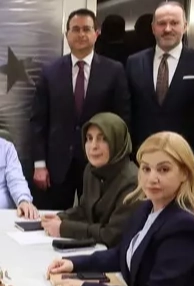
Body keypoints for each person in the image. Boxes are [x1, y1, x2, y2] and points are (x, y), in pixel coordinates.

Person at [47, 132, 194, 286]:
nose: (152, 178)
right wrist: (74, 263)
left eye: (163, 169)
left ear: (185, 173)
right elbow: (122, 254)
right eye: (146, 169)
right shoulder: (146, 208)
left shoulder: (183, 227)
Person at [30, 8, 130, 210]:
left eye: (87, 29)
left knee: (96, 219)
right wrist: (39, 164)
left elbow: (123, 119)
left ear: (97, 33)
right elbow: (38, 121)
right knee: (52, 219)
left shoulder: (114, 71)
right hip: (56, 167)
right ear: (66, 34)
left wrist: (116, 163)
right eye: (75, 29)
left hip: (99, 164)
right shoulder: (50, 72)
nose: (81, 34)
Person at [126, 2, 194, 165]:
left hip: (184, 159)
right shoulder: (134, 62)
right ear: (153, 28)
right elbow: (129, 113)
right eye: (161, 23)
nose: (167, 29)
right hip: (142, 158)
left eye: (174, 23)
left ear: (185, 26)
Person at [40, 112, 140, 247]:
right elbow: (85, 209)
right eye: (89, 138)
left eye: (103, 139)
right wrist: (62, 217)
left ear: (117, 141)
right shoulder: (91, 170)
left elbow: (112, 235)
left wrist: (64, 228)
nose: (93, 146)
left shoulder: (132, 182)